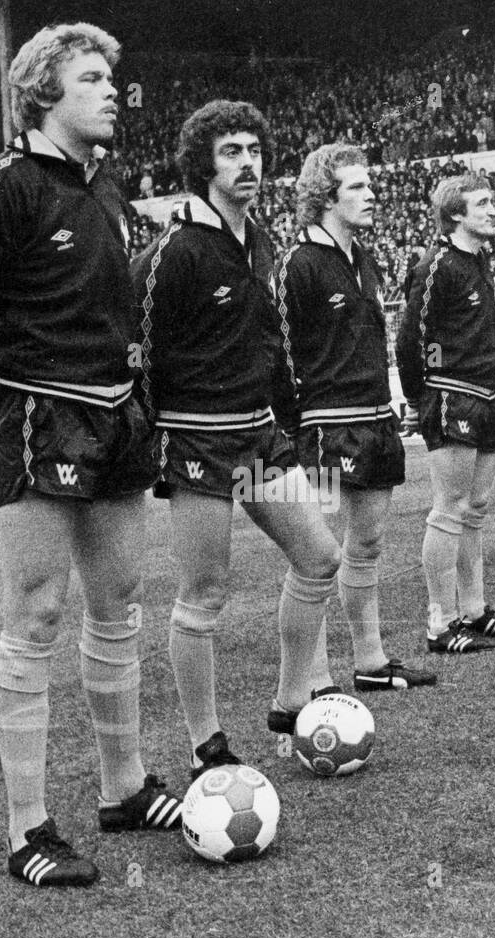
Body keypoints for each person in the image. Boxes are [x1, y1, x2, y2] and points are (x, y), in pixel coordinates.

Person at [0, 23, 182, 892]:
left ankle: (124, 786)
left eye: (114, 76)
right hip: (39, 418)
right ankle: (27, 828)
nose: (113, 91)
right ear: (43, 93)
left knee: (120, 604)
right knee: (35, 616)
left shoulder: (107, 188)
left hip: (117, 417)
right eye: (92, 78)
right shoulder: (6, 183)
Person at [131, 100, 341, 758]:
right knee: (205, 591)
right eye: (230, 152)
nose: (246, 161)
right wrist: (146, 439)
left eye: (253, 149)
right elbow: (132, 348)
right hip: (196, 439)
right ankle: (205, 744)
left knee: (320, 558)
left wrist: (292, 419)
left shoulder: (263, 243)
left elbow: (270, 343)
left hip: (259, 435)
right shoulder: (175, 248)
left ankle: (290, 703)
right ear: (203, 165)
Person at [279, 144, 435, 691]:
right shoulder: (297, 264)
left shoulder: (362, 258)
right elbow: (279, 351)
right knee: (317, 556)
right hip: (324, 425)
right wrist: (291, 426)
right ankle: (316, 680)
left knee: (366, 545)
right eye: (357, 188)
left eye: (370, 186)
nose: (371, 195)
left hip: (375, 418)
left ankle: (370, 662)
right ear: (325, 197)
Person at [396, 173, 495, 653]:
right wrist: (421, 397)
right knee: (449, 511)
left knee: (475, 510)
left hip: (486, 395)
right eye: (483, 203)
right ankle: (440, 623)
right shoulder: (436, 265)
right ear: (455, 214)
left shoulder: (479, 261)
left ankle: (474, 611)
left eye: (493, 202)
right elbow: (413, 338)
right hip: (452, 395)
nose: (494, 210)